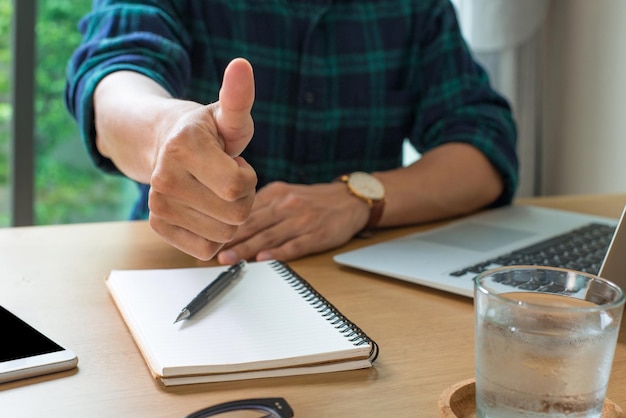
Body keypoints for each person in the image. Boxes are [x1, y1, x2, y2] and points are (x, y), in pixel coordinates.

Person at [65, 0, 518, 264]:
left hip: (354, 277)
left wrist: (360, 199)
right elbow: (113, 76)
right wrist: (166, 129)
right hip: (185, 269)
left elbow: (485, 144)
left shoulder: (415, 7)